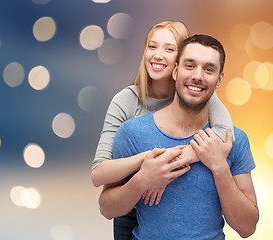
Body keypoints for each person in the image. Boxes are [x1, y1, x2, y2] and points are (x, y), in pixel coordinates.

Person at [99, 34, 259, 239]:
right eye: (189, 66)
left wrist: (220, 167)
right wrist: (141, 181)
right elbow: (107, 209)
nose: (198, 76)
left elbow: (247, 228)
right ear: (175, 71)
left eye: (208, 69)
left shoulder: (232, 140)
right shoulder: (132, 133)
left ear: (219, 79)